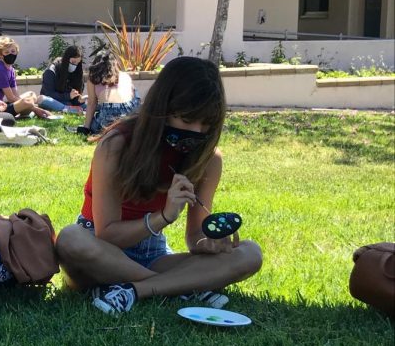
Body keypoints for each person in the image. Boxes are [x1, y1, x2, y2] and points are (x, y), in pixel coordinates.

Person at [55, 56, 262, 315]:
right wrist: (163, 217)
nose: (197, 132)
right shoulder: (116, 145)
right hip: (100, 252)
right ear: (163, 109)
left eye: (206, 124)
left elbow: (194, 237)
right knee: (69, 238)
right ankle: (183, 287)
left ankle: (133, 290)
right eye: (187, 121)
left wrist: (208, 243)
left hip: (153, 255)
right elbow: (106, 234)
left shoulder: (209, 159)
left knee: (250, 253)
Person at [0, 36, 51, 119]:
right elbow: (11, 98)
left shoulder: (11, 70)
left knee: (31, 94)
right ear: (1, 55)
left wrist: (29, 104)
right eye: (6, 52)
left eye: (13, 51)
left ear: (16, 52)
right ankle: (27, 112)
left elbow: (15, 95)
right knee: (26, 102)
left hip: (2, 105)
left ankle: (26, 112)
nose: (10, 54)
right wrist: (35, 108)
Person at [79, 47, 140, 135]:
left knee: (94, 123)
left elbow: (92, 103)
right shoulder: (125, 75)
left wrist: (86, 127)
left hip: (109, 114)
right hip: (130, 113)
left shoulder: (93, 78)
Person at [39, 45, 86, 113]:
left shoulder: (76, 71)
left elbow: (76, 91)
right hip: (53, 101)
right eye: (73, 62)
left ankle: (70, 108)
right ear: (67, 59)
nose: (75, 66)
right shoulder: (51, 71)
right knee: (42, 99)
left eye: (77, 63)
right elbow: (49, 94)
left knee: (85, 105)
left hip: (68, 102)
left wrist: (78, 99)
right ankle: (68, 109)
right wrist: (68, 96)